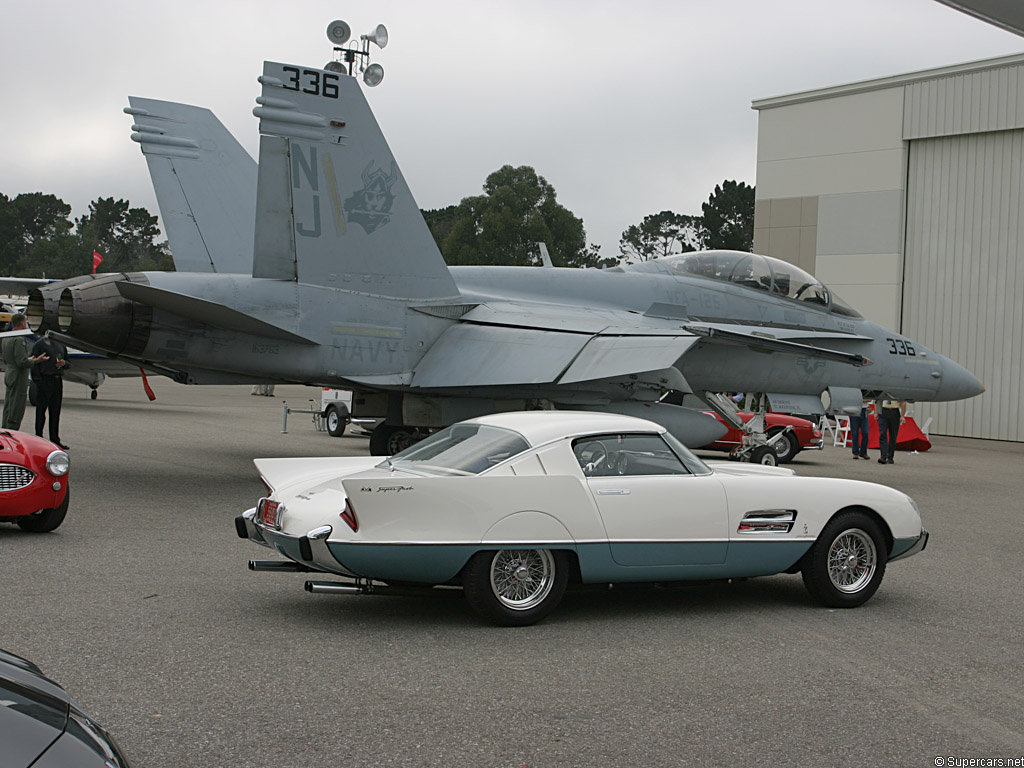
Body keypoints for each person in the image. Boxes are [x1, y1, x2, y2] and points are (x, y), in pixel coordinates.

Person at [2, 314, 49, 430]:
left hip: (9, 373)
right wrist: (36, 361)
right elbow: (21, 362)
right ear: (22, 323)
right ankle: (12, 428)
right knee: (17, 405)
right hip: (18, 375)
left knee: (9, 403)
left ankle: (5, 428)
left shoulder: (6, 338)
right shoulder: (19, 339)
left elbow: (9, 358)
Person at [31, 334, 69, 449]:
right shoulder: (39, 344)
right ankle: (38, 437)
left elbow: (68, 362)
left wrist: (64, 364)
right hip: (44, 379)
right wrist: (37, 380)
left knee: (55, 411)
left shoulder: (61, 345)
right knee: (41, 410)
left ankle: (55, 439)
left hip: (57, 380)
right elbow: (34, 363)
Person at [875, 397, 906, 465]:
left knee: (893, 435)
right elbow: (878, 400)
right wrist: (876, 412)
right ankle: (883, 456)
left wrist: (902, 416)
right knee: (882, 433)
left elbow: (903, 403)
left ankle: (890, 457)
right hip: (883, 411)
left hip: (894, 411)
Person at [848, 395, 871, 460]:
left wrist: (859, 400)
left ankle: (863, 452)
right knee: (855, 433)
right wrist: (863, 400)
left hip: (864, 410)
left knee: (865, 432)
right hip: (854, 409)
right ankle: (855, 452)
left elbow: (869, 399)